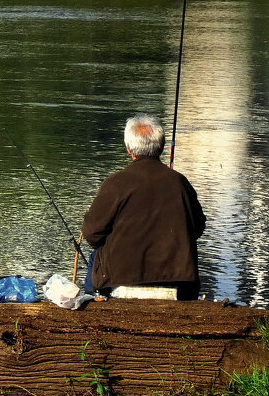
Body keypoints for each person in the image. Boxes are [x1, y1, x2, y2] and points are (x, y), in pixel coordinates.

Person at [82, 114, 206, 300]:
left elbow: (92, 234)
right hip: (180, 281)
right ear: (161, 147)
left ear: (129, 150)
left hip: (120, 277)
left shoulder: (115, 182)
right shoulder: (180, 182)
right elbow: (197, 228)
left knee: (95, 256)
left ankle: (93, 304)